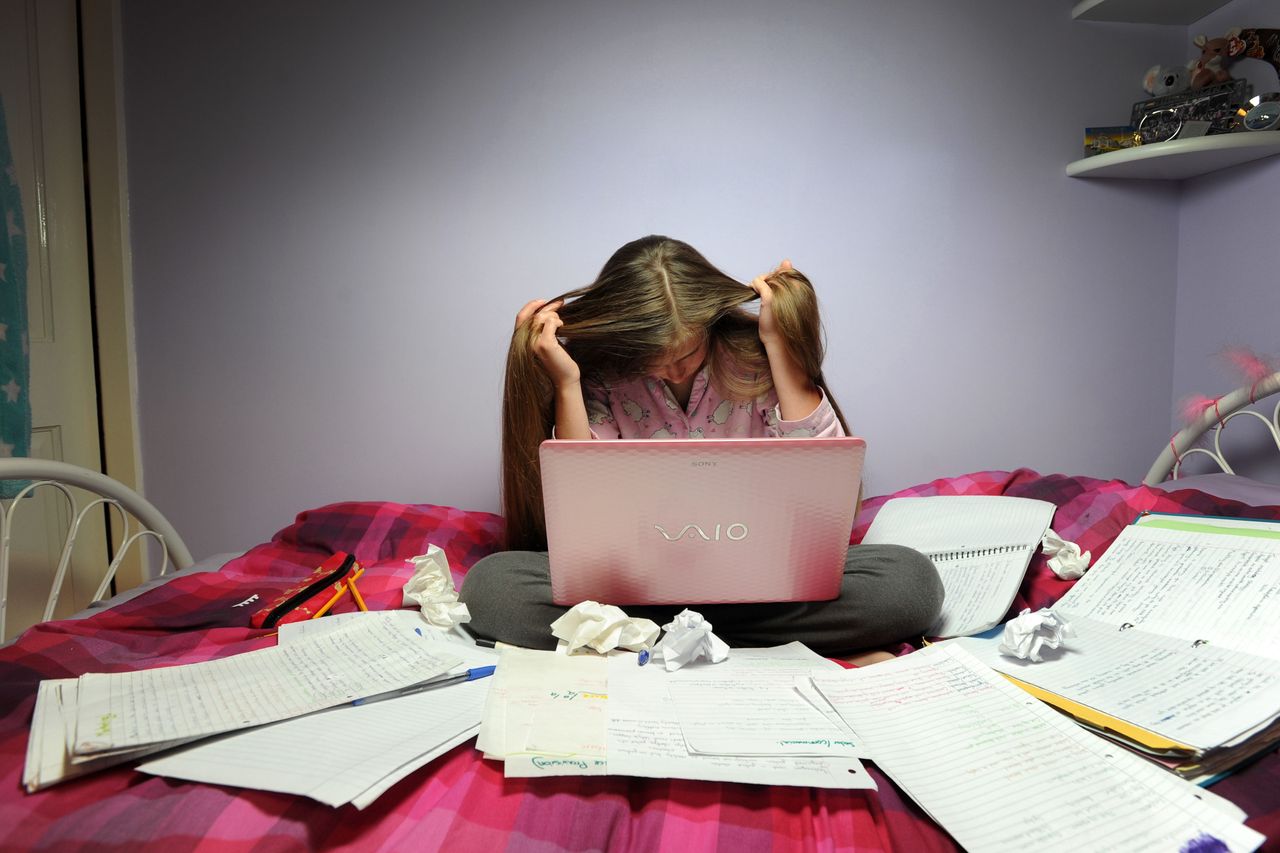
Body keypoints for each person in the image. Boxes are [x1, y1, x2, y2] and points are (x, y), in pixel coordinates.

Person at [459, 235, 942, 656]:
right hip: (633, 588)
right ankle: (717, 638)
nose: (673, 371)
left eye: (688, 353)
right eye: (654, 359)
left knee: (908, 583)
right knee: (492, 589)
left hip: (765, 586)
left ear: (709, 325)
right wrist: (566, 383)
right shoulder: (602, 377)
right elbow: (581, 501)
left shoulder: (754, 359)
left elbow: (825, 483)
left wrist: (780, 347)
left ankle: (650, 638)